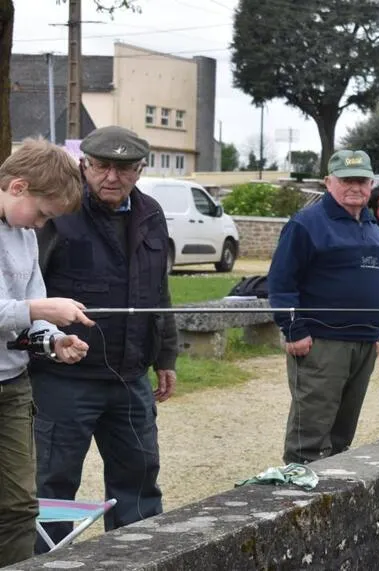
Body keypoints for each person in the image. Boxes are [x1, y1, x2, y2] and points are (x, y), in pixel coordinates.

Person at [32, 126, 178, 550]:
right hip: (63, 379)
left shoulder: (151, 213)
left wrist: (165, 355)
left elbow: (159, 291)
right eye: (102, 166)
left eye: (125, 168)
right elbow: (28, 290)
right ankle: (46, 560)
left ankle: (139, 557)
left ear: (141, 169)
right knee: (53, 482)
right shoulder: (58, 212)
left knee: (139, 478)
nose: (112, 177)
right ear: (84, 165)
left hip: (130, 377)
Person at [0, 139, 93, 567]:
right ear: (17, 187)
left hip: (12, 386)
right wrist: (41, 309)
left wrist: (53, 340)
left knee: (20, 506)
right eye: (42, 214)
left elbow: (30, 309)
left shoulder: (27, 237)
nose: (40, 225)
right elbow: (27, 306)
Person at [268, 149, 379, 464]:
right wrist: (293, 329)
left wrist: (377, 333)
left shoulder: (374, 227)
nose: (355, 187)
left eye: (361, 180)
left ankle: (332, 494)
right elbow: (282, 281)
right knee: (311, 430)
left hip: (363, 342)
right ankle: (298, 493)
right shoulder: (307, 224)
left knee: (342, 433)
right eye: (346, 180)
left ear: (372, 183)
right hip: (322, 342)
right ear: (328, 182)